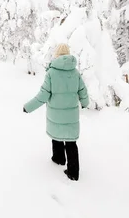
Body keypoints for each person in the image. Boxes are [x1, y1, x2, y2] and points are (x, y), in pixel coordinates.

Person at [23, 44, 89, 181]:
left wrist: (28, 107)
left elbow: (42, 96)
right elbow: (83, 91)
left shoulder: (51, 73)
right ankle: (73, 172)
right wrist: (85, 103)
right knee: (71, 142)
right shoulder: (75, 73)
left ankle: (58, 159)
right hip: (71, 116)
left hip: (55, 115)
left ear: (57, 56)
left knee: (56, 135)